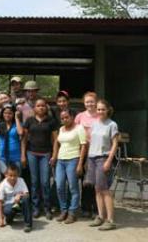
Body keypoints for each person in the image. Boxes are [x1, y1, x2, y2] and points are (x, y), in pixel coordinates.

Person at [22, 98, 58, 220]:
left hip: (45, 154)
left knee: (45, 182)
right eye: (38, 106)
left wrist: (54, 155)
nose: (41, 107)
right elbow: (24, 139)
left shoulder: (51, 121)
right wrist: (23, 155)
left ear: (46, 107)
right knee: (34, 182)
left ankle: (47, 208)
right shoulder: (29, 120)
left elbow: (55, 140)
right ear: (34, 108)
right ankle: (36, 207)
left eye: (43, 105)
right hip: (31, 153)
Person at [86, 99, 119, 231]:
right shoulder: (94, 124)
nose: (100, 111)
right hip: (92, 158)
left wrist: (108, 161)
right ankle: (100, 216)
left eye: (102, 109)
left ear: (108, 110)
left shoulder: (112, 124)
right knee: (97, 189)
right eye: (98, 109)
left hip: (103, 158)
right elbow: (91, 141)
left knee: (104, 189)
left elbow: (115, 144)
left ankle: (110, 220)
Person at [52, 109, 87, 224]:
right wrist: (54, 157)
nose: (64, 120)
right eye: (62, 118)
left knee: (73, 188)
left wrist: (80, 164)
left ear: (72, 117)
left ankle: (72, 213)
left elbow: (83, 146)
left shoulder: (79, 128)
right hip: (61, 161)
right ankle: (63, 210)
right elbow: (57, 143)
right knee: (59, 186)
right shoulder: (61, 129)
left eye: (67, 117)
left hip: (73, 159)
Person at [74, 91, 99, 218]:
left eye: (92, 101)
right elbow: (74, 132)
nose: (89, 104)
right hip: (82, 151)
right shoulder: (79, 117)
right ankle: (85, 207)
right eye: (87, 101)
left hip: (97, 152)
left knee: (95, 181)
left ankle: (96, 207)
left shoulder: (100, 115)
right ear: (84, 103)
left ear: (96, 102)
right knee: (85, 181)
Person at [0, 163, 32, 233]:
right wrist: (1, 219)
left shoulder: (21, 180)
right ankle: (9, 219)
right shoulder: (3, 184)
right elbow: (0, 202)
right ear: (6, 175)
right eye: (10, 175)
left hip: (19, 203)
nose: (13, 178)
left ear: (18, 175)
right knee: (8, 211)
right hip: (9, 205)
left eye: (15, 175)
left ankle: (28, 224)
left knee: (26, 198)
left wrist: (19, 195)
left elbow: (27, 194)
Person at [0, 105, 24, 169]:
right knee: (4, 177)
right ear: (2, 114)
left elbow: (20, 132)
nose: (7, 115)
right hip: (2, 156)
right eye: (5, 113)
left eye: (10, 113)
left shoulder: (17, 124)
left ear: (13, 114)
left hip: (16, 156)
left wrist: (16, 118)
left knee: (16, 176)